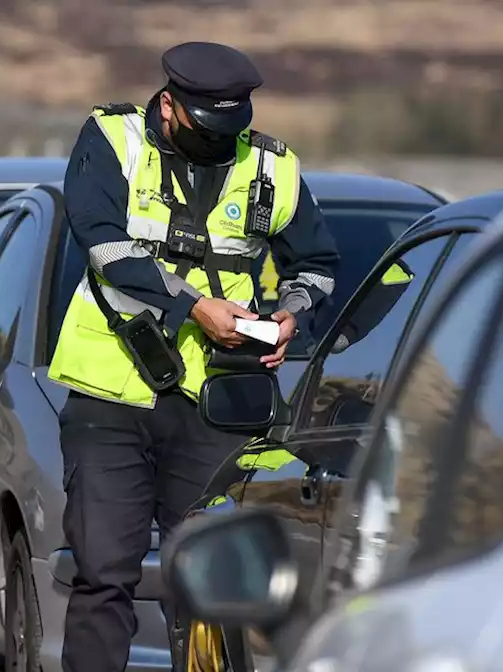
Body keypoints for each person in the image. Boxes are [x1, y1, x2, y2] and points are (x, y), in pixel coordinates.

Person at [47, 41, 340, 672]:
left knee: (215, 584)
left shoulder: (272, 168)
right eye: (208, 131)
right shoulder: (112, 138)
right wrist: (195, 306)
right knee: (104, 575)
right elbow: (104, 245)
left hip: (218, 404)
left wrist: (290, 312)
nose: (220, 144)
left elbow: (317, 265)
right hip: (111, 396)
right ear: (172, 104)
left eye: (232, 131)